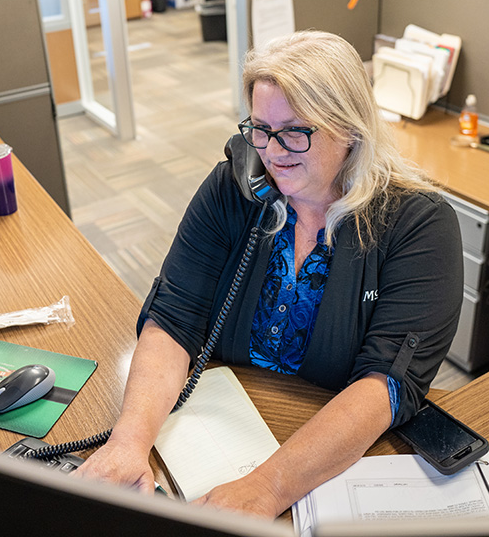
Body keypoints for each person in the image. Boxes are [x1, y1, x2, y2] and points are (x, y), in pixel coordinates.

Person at [76, 31, 463, 519]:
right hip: (215, 428)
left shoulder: (417, 224)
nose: (272, 151)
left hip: (325, 455)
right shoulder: (235, 188)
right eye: (260, 128)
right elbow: (175, 316)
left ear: (349, 127)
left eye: (295, 131)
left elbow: (384, 381)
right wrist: (128, 442)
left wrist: (268, 487)